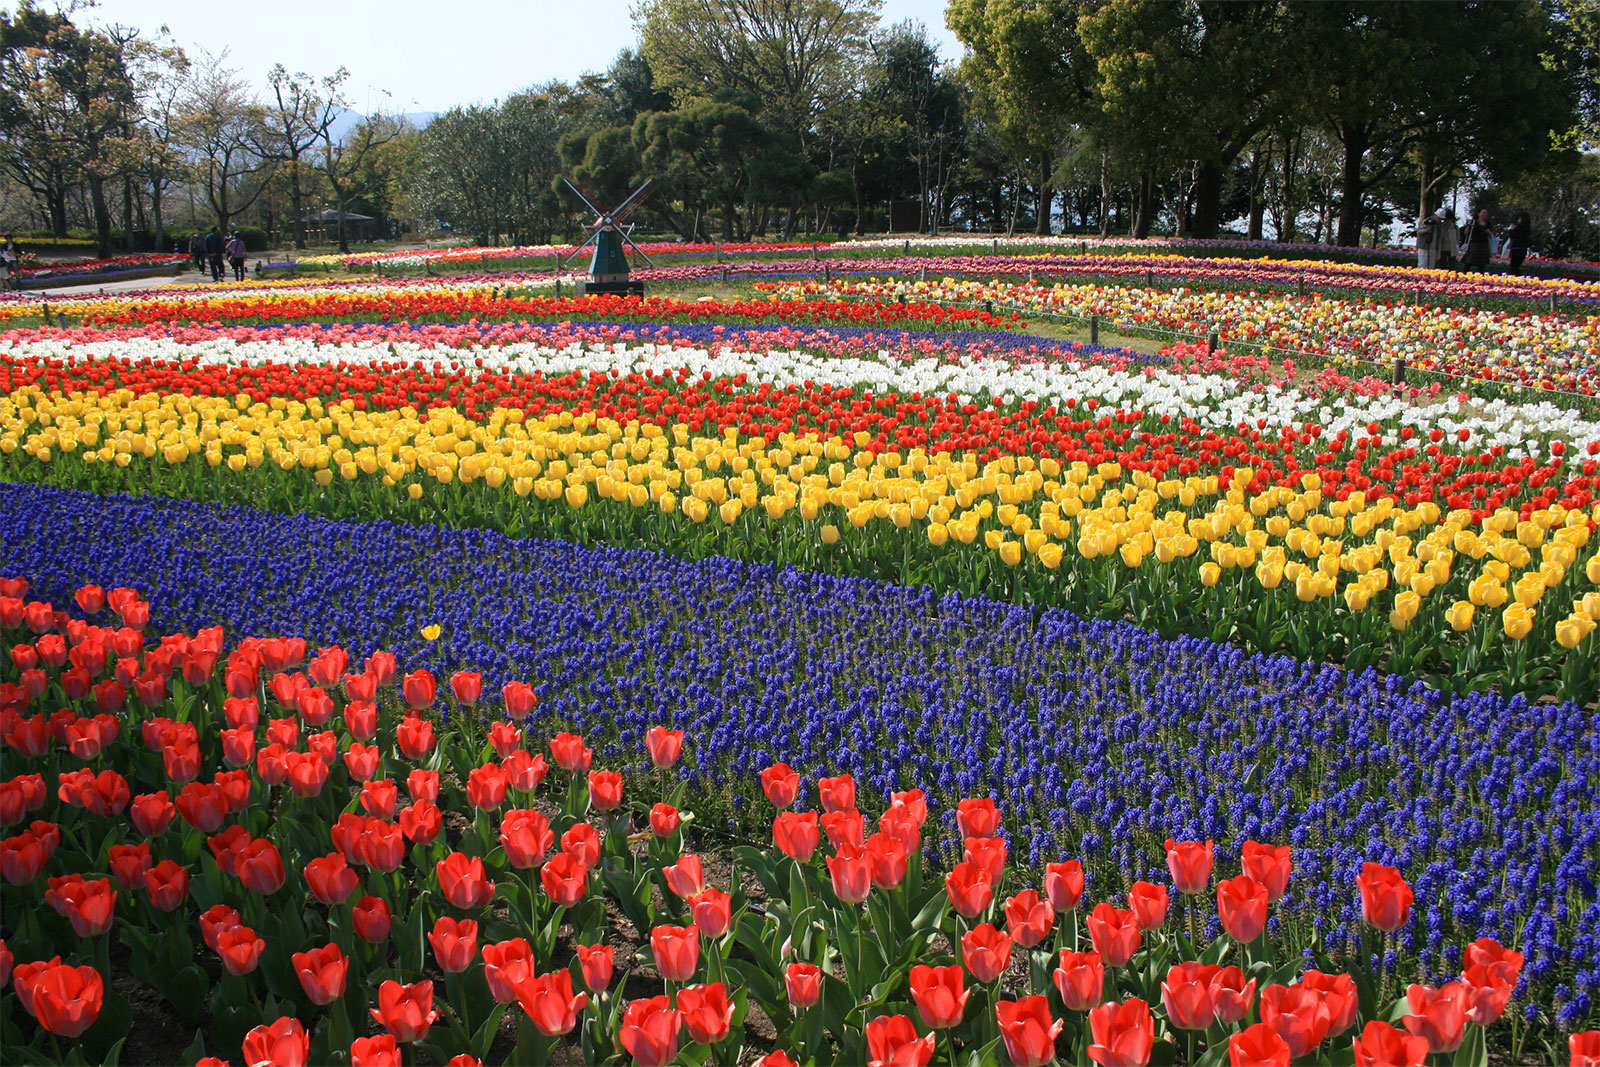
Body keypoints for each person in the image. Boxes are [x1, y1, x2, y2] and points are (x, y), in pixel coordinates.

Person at [1459, 207, 1494, 272]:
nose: (1484, 214)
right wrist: (1468, 227)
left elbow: (1491, 234)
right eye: (1483, 212)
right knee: (1469, 261)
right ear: (1478, 213)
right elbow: (1466, 232)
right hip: (1474, 243)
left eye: (1486, 213)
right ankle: (1465, 274)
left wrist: (1488, 232)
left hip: (1484, 244)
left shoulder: (1488, 223)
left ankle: (1480, 276)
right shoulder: (1473, 222)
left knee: (1481, 263)